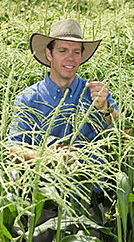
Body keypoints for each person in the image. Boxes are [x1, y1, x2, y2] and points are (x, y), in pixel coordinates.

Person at [9, 18, 118, 165]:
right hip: (45, 186)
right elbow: (14, 150)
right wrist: (49, 156)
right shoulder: (28, 98)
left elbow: (125, 136)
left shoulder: (95, 93)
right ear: (49, 54)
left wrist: (105, 109)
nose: (70, 58)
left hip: (90, 186)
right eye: (63, 51)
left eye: (76, 52)